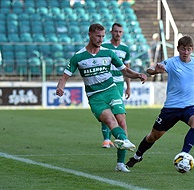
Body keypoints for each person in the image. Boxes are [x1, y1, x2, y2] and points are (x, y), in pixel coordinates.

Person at [56, 23, 147, 172]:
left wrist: (138, 75)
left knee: (122, 121)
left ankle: (120, 164)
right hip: (95, 97)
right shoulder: (78, 57)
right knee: (110, 121)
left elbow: (125, 70)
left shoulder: (108, 53)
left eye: (103, 36)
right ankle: (124, 140)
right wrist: (60, 87)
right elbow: (65, 77)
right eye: (98, 36)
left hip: (111, 90)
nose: (100, 39)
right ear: (90, 34)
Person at [126, 35, 194, 168]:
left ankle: (184, 155)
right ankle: (138, 156)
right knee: (153, 136)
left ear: (192, 50)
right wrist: (155, 71)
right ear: (178, 48)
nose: (185, 52)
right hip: (171, 107)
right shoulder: (171, 62)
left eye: (188, 49)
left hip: (189, 106)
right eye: (183, 49)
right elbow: (149, 70)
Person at [100, 23, 131, 148]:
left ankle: (122, 139)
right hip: (106, 82)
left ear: (122, 33)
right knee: (105, 110)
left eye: (120, 32)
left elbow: (127, 69)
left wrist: (128, 86)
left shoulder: (125, 49)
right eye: (116, 31)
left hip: (119, 83)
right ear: (111, 32)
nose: (118, 34)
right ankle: (106, 140)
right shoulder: (104, 46)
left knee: (118, 112)